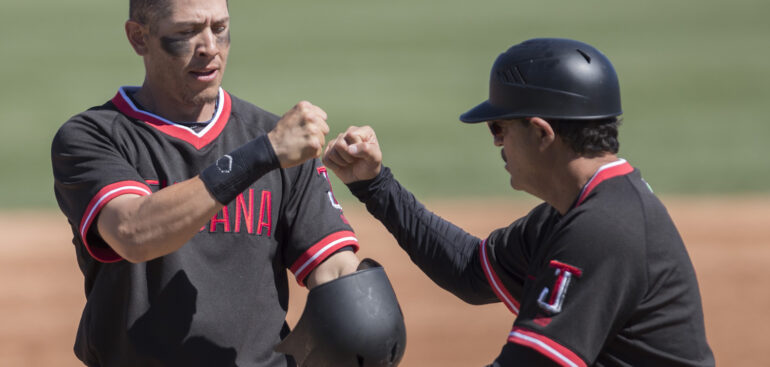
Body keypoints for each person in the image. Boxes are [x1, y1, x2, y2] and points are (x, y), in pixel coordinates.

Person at [50, 0, 405, 366]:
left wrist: (362, 308)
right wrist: (260, 155)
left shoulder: (276, 144)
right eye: (187, 32)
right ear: (139, 37)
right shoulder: (94, 137)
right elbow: (133, 232)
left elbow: (333, 268)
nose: (209, 47)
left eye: (219, 28)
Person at [323, 38, 715, 366]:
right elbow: (470, 270)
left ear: (542, 133)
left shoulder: (603, 227)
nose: (496, 142)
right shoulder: (575, 212)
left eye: (500, 128)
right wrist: (374, 186)